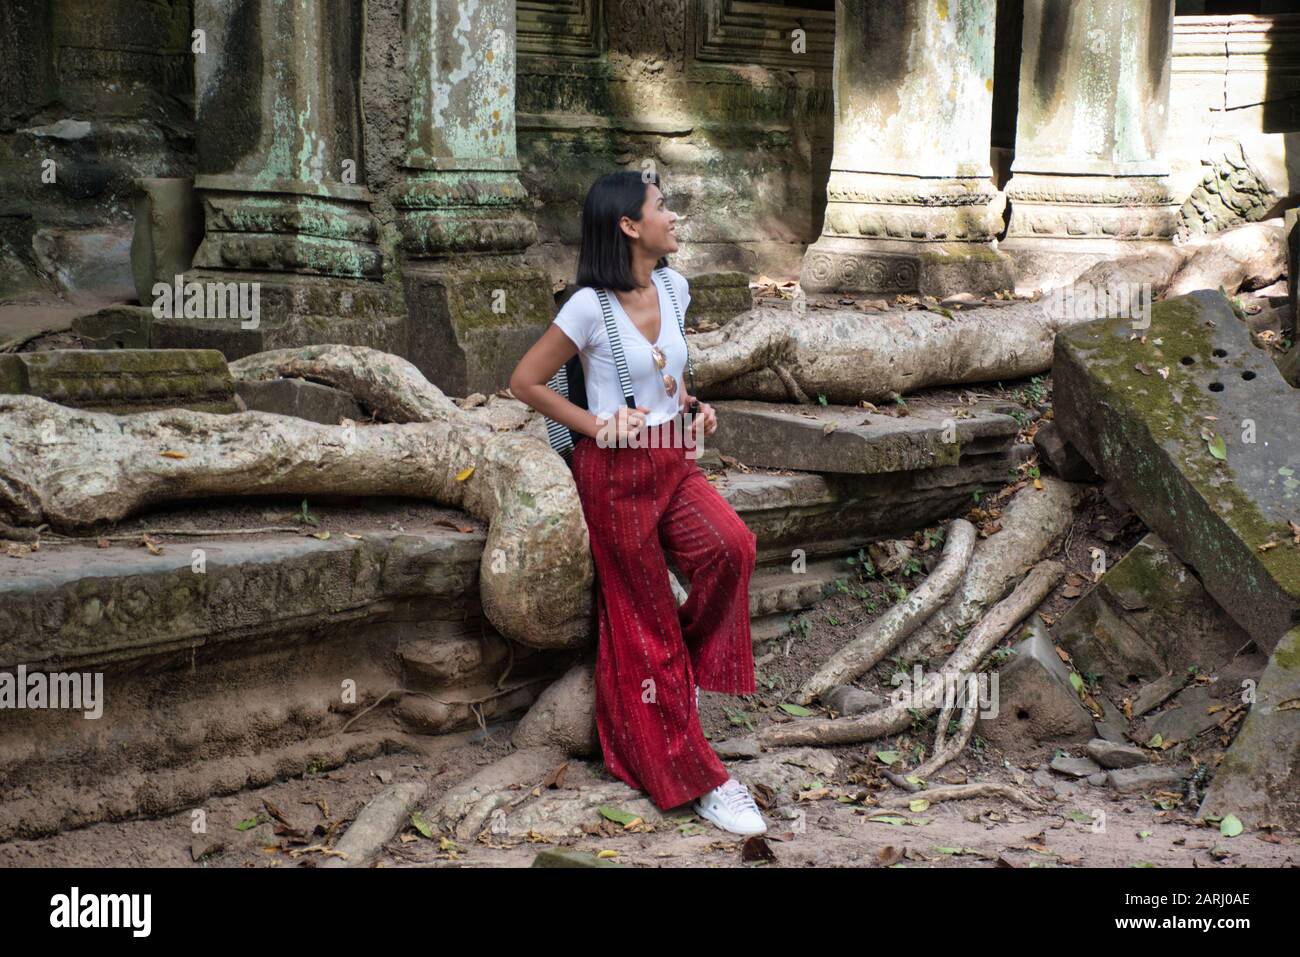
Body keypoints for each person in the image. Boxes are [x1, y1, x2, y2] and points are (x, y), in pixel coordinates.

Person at [509, 171, 767, 836]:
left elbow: (669, 377)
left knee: (730, 546)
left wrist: (691, 406)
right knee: (645, 620)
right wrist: (595, 425)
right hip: (615, 476)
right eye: (662, 207)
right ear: (629, 225)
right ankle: (702, 779)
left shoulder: (675, 288)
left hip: (671, 456)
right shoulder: (587, 307)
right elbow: (525, 381)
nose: (673, 216)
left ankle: (660, 666)